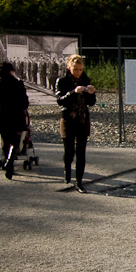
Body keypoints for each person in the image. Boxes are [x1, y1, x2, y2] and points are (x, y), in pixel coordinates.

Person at [55, 54, 96, 194]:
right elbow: (60, 100)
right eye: (75, 69)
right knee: (69, 150)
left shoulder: (85, 79)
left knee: (81, 152)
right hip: (68, 119)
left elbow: (91, 102)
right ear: (69, 67)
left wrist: (90, 93)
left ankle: (79, 181)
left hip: (82, 119)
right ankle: (67, 171)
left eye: (80, 69)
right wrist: (73, 92)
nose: (78, 72)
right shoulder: (62, 81)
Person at [0, 62, 29, 180]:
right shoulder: (18, 84)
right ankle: (10, 161)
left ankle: (6, 160)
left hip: (2, 116)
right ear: (11, 71)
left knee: (5, 140)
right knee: (15, 141)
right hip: (16, 115)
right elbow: (25, 102)